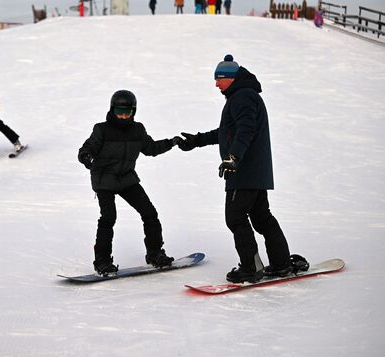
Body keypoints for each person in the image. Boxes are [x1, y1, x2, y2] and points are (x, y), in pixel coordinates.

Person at [178, 55, 308, 283]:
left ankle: (251, 267)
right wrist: (196, 141)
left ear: (229, 78)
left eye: (219, 79)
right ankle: (281, 263)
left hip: (245, 172)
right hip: (254, 171)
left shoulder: (243, 97)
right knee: (261, 217)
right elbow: (228, 132)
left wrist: (233, 158)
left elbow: (245, 130)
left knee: (235, 216)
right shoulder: (242, 96)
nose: (216, 84)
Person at [78, 90, 182, 275]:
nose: (123, 116)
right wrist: (86, 157)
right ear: (112, 110)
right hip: (104, 179)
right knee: (108, 217)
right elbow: (87, 148)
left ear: (134, 111)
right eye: (119, 112)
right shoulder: (101, 129)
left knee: (149, 213)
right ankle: (102, 261)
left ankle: (155, 253)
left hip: (126, 178)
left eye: (127, 112)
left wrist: (170, 142)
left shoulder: (137, 129)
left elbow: (150, 149)